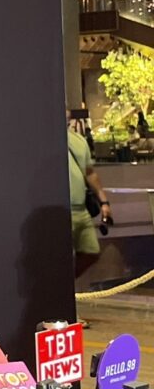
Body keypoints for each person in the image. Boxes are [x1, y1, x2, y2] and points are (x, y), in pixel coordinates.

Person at [68, 110, 110, 277]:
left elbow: (90, 173)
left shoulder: (79, 140)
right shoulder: (46, 139)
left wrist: (104, 202)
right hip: (64, 209)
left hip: (80, 209)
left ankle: (65, 283)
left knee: (91, 252)